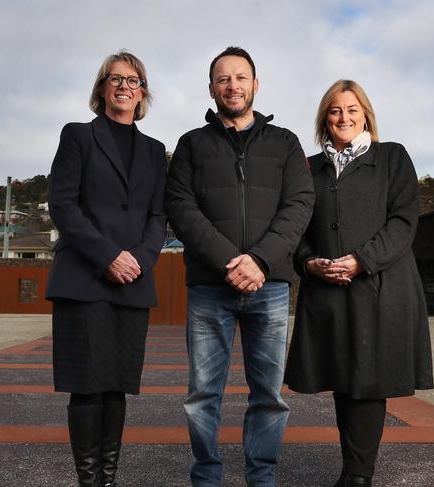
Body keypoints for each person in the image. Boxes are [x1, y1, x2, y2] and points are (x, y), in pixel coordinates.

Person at [165, 46, 314, 487]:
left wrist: (261, 260)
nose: (233, 85)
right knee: (202, 396)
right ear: (211, 87)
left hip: (269, 286)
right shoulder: (192, 144)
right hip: (211, 286)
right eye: (223, 78)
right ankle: (206, 477)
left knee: (268, 395)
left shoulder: (285, 143)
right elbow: (180, 206)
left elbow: (300, 205)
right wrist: (231, 260)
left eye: (241, 77)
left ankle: (261, 478)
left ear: (255, 83)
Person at [284, 79, 434, 487]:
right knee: (343, 382)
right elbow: (297, 227)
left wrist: (362, 260)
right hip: (328, 290)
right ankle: (352, 469)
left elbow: (404, 222)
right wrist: (308, 262)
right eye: (335, 110)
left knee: (368, 383)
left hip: (379, 288)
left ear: (365, 114)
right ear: (324, 119)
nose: (344, 117)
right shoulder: (309, 167)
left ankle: (358, 476)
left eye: (352, 109)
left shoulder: (392, 158)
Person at [46, 50, 167, 487]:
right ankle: (89, 480)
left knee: (116, 386)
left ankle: (109, 479)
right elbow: (63, 204)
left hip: (133, 280)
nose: (123, 87)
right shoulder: (78, 135)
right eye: (114, 79)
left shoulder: (155, 151)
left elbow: (158, 217)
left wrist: (141, 259)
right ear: (101, 89)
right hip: (84, 278)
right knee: (87, 385)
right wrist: (108, 255)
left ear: (142, 92)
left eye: (133, 81)